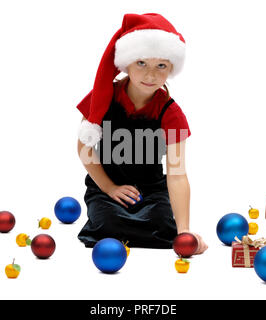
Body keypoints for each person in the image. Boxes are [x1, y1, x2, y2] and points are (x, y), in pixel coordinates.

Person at [75, 13, 208, 254]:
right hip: (107, 188)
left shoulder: (171, 113)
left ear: (171, 68)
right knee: (107, 224)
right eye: (141, 63)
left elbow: (177, 174)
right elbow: (84, 149)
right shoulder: (102, 98)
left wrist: (184, 232)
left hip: (152, 192)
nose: (151, 75)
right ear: (126, 62)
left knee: (162, 225)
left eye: (161, 66)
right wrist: (109, 188)